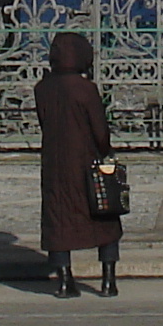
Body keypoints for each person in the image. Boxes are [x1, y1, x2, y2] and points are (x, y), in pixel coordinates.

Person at [34, 32, 121, 296]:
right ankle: (108, 281)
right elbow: (100, 131)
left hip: (55, 165)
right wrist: (107, 153)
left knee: (58, 220)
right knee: (104, 215)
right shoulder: (85, 89)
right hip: (87, 162)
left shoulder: (42, 89)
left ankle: (64, 280)